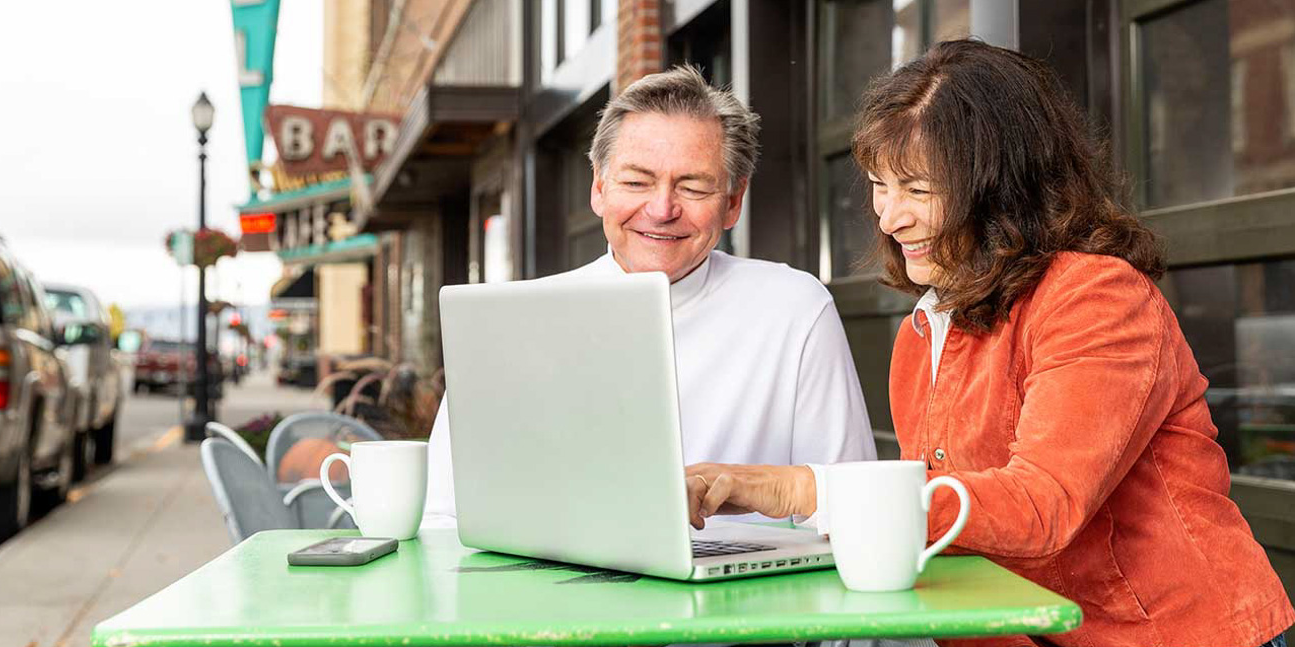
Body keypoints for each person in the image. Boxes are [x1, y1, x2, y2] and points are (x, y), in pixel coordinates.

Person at [685, 40, 1293, 647]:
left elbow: (1040, 505)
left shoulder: (1097, 296)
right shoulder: (922, 334)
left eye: (918, 190)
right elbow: (953, 529)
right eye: (879, 185)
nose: (890, 218)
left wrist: (796, 489)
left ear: (1004, 186)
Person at [423, 65, 876, 526]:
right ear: (599, 188)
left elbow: (860, 503)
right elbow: (442, 515)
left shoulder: (795, 308)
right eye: (637, 182)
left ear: (734, 202)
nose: (661, 210)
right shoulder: (508, 324)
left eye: (693, 186)